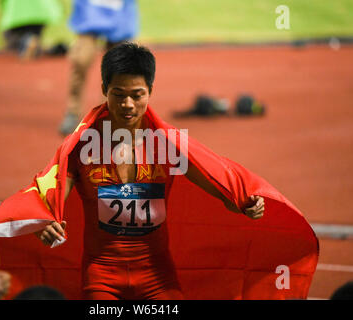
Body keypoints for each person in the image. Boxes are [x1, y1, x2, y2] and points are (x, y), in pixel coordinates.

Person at [37, 42, 265, 299]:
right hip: (101, 278)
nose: (128, 105)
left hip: (157, 277)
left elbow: (224, 193)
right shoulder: (79, 147)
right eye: (118, 94)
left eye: (137, 95)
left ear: (150, 91)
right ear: (104, 90)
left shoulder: (168, 145)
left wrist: (246, 204)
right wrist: (44, 223)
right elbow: (49, 202)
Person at [59, 0, 139, 135]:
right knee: (81, 59)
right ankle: (73, 112)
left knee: (120, 65)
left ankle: (111, 114)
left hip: (120, 10)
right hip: (90, 8)